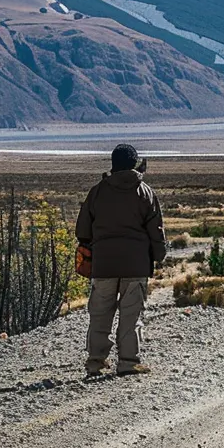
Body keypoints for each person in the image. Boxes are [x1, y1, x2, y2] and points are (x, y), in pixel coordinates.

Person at [76, 143, 167, 376]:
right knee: (131, 314)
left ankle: (95, 362)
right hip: (135, 265)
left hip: (103, 265)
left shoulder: (97, 192)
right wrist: (159, 255)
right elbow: (155, 229)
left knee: (100, 314)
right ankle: (128, 362)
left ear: (113, 164)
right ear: (135, 164)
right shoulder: (145, 192)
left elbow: (83, 231)